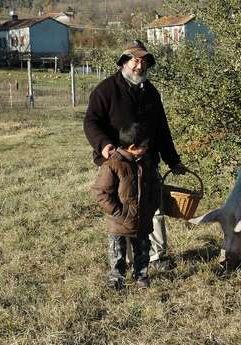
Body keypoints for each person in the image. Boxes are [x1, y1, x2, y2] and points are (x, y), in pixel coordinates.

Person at [84, 39, 187, 271]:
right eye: (135, 61)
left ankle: (156, 257)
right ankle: (127, 260)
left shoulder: (151, 92)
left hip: (148, 162)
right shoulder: (106, 89)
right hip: (118, 162)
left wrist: (173, 160)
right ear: (124, 62)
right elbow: (91, 121)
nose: (140, 66)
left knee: (154, 209)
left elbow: (162, 130)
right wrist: (104, 145)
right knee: (122, 210)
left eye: (144, 62)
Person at [91, 123, 160, 289]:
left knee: (143, 250)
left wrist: (152, 206)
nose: (147, 148)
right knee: (117, 252)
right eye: (144, 146)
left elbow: (154, 187)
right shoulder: (112, 165)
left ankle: (141, 276)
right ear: (132, 147)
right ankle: (116, 279)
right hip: (119, 222)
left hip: (142, 218)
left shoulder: (146, 163)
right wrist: (117, 213)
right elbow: (101, 192)